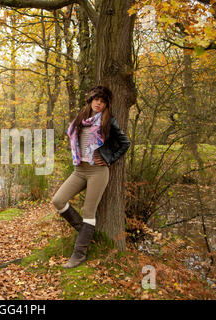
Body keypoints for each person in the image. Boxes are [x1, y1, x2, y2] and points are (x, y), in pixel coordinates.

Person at [51, 85, 130, 268]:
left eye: (102, 101)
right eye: (96, 99)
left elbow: (125, 143)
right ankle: (85, 233)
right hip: (80, 170)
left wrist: (109, 158)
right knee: (58, 200)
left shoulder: (108, 121)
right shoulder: (81, 119)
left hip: (97, 171)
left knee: (89, 212)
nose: (99, 103)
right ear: (91, 100)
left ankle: (79, 254)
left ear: (106, 104)